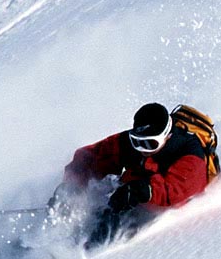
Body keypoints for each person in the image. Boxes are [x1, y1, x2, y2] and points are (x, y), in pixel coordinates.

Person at [50, 102, 211, 248]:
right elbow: (90, 157)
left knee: (114, 223)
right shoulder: (134, 143)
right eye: (137, 142)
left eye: (150, 144)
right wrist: (71, 186)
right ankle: (54, 238)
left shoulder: (190, 154)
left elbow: (177, 188)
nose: (141, 148)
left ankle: (79, 254)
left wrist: (142, 190)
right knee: (100, 200)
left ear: (167, 136)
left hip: (160, 203)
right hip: (135, 189)